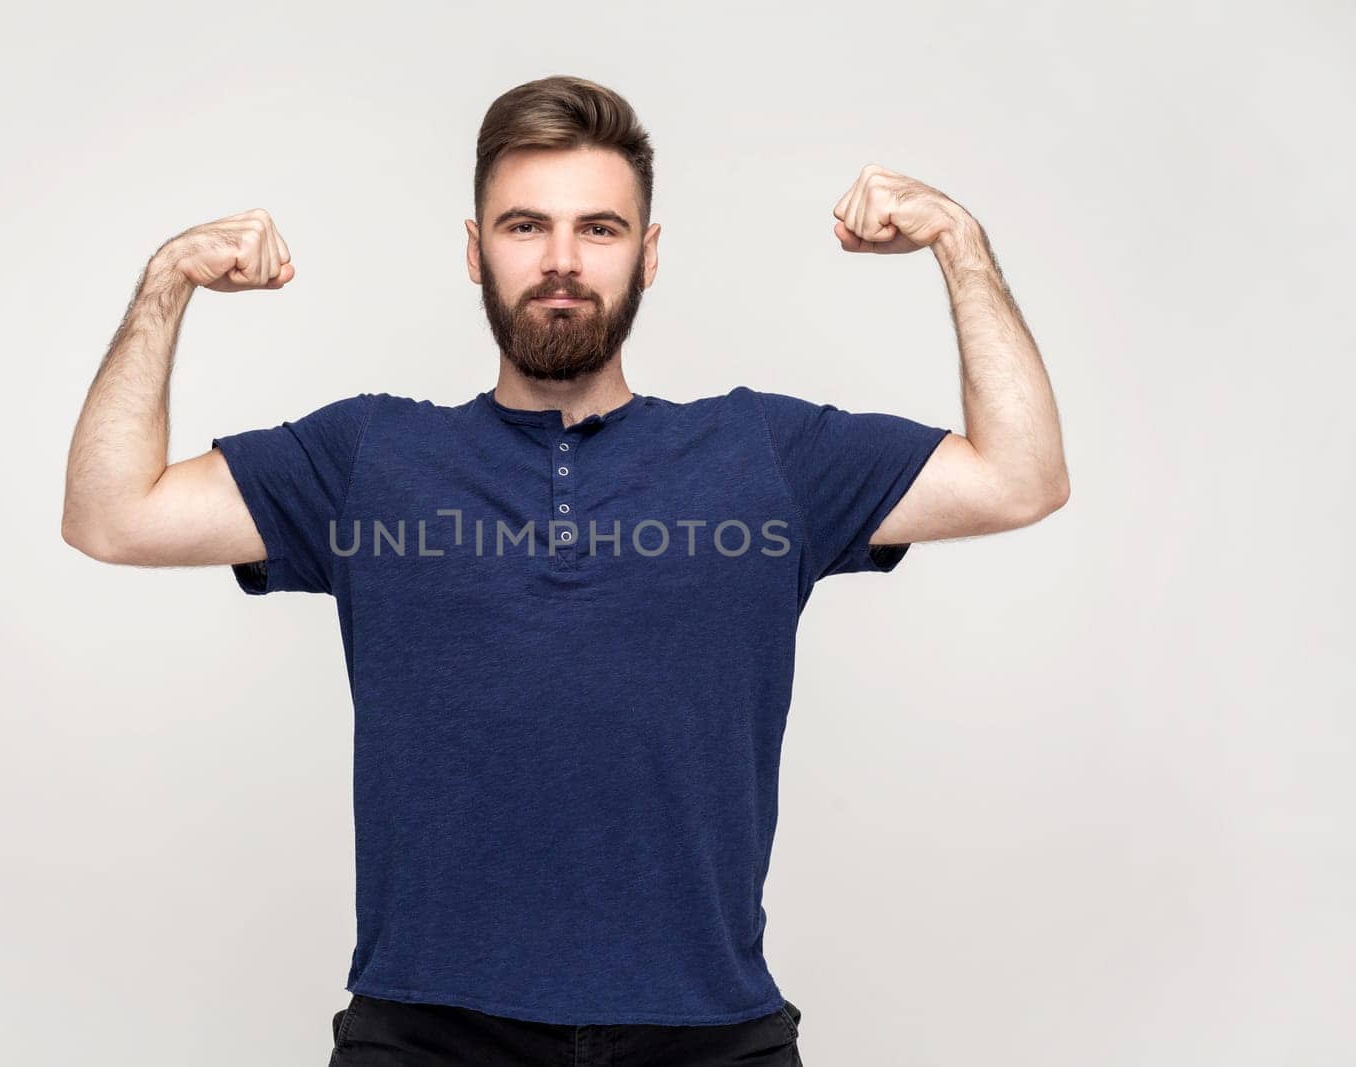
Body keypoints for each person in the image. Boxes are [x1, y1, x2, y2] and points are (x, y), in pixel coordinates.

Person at [61, 74, 1069, 1066]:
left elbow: (1019, 477)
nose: (560, 261)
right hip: (427, 1028)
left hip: (709, 1029)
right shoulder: (368, 457)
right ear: (473, 250)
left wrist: (959, 244)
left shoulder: (765, 453)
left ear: (648, 253)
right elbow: (113, 513)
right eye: (523, 226)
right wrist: (168, 280)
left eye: (598, 228)